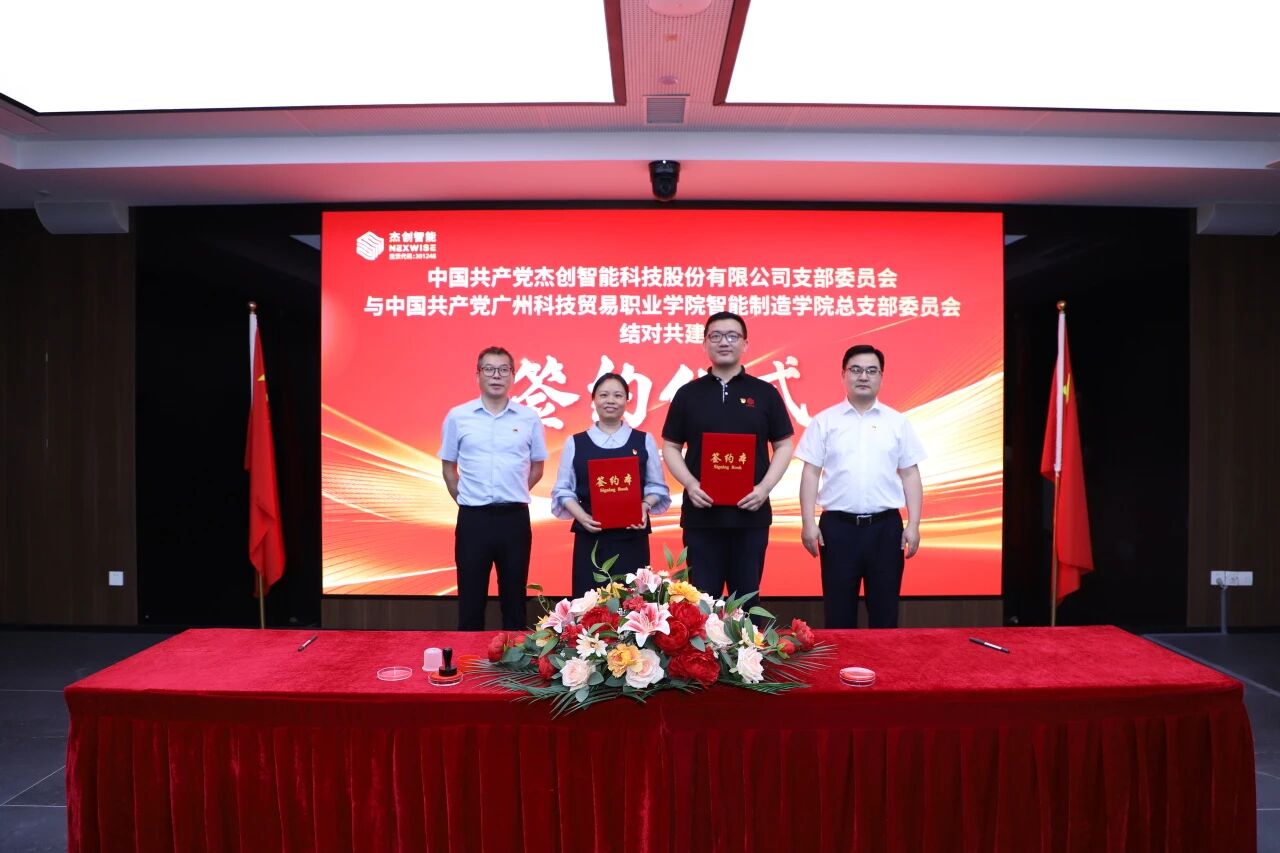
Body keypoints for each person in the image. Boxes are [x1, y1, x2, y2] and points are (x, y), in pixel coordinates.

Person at [661, 312, 794, 602]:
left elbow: (784, 445)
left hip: (751, 515)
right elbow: (670, 446)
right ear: (705, 343)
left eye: (732, 336)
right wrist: (690, 485)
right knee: (700, 603)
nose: (724, 342)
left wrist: (764, 488)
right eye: (716, 336)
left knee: (747, 602)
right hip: (701, 517)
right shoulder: (688, 394)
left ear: (745, 344)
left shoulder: (765, 393)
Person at [796, 344, 926, 628]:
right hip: (837, 529)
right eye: (856, 370)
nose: (863, 376)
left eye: (871, 371)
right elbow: (810, 474)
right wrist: (808, 522)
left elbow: (910, 475)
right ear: (843, 374)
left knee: (885, 613)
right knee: (838, 613)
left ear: (881, 377)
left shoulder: (897, 422)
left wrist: (914, 525)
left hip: (885, 529)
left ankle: (885, 658)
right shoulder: (824, 422)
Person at [440, 346, 547, 630]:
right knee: (470, 597)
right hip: (473, 519)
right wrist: (467, 499)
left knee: (514, 599)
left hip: (514, 518)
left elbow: (537, 468)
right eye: (489, 369)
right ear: (478, 375)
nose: (496, 375)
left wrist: (512, 490)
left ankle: (516, 656)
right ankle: (469, 655)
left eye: (503, 370)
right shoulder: (458, 416)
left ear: (512, 375)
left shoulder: (528, 418)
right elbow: (449, 469)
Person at [551, 373, 671, 596]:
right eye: (604, 395)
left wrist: (644, 506)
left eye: (617, 395)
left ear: (627, 400)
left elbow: (657, 486)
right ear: (594, 400)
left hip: (632, 537)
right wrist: (581, 516)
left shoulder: (643, 440)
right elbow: (563, 490)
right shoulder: (576, 442)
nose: (610, 400)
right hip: (591, 537)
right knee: (589, 604)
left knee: (633, 603)